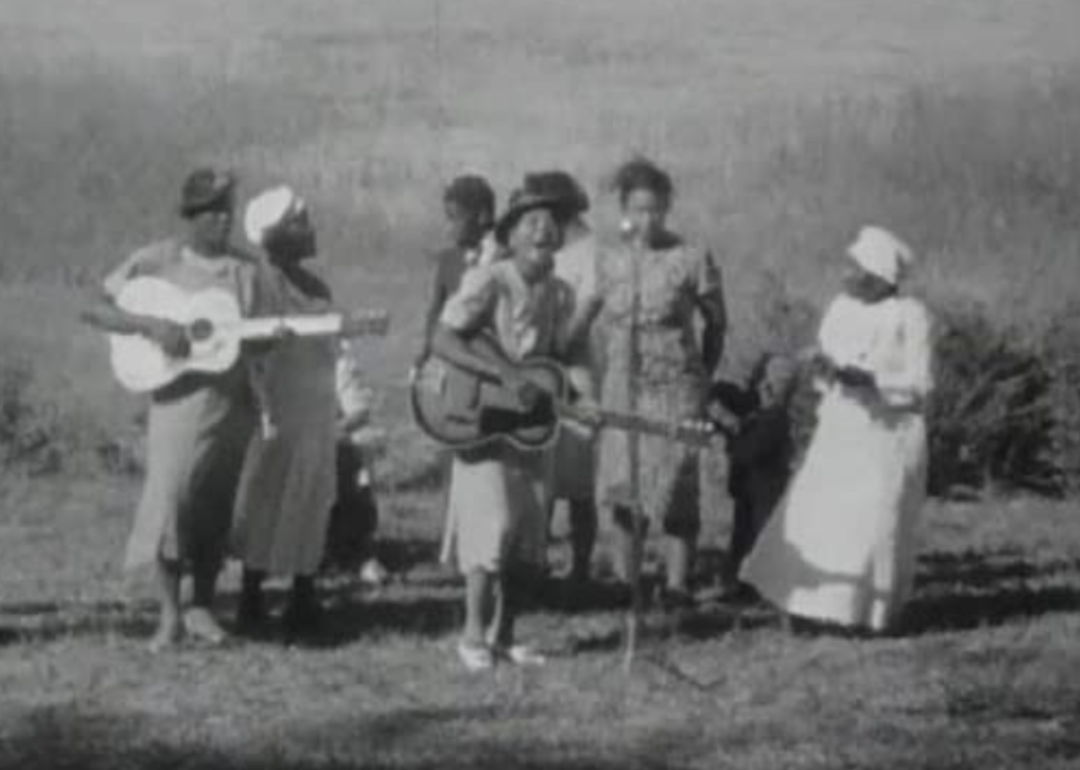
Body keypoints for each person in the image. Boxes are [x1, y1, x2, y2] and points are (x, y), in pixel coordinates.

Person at [81, 167, 259, 651]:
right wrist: (151, 325)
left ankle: (201, 607)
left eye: (229, 209)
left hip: (230, 404)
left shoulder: (246, 271)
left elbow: (257, 340)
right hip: (176, 402)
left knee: (214, 506)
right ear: (192, 216)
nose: (224, 219)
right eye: (213, 211)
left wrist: (271, 340)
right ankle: (168, 616)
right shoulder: (157, 260)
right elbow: (96, 308)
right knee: (168, 504)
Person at [741, 226, 933, 634]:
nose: (846, 275)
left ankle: (862, 612)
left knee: (871, 522)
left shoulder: (910, 315)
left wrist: (868, 379)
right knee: (824, 518)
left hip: (887, 434)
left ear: (879, 275)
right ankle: (807, 605)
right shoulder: (841, 309)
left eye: (856, 268)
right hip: (842, 428)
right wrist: (826, 369)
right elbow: (829, 359)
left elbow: (920, 384)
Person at [431, 183, 591, 671]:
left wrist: (579, 399)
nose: (542, 229)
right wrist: (503, 376)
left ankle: (506, 634)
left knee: (527, 530)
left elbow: (557, 362)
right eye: (530, 222)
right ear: (512, 235)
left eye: (550, 222)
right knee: (491, 527)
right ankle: (472, 636)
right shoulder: (488, 280)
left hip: (531, 426)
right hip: (484, 420)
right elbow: (443, 339)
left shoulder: (560, 292)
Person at [595, 157, 728, 608]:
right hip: (623, 386)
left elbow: (716, 323)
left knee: (677, 488)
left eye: (656, 209)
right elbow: (591, 320)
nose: (647, 219)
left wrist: (702, 377)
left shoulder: (691, 258)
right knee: (622, 487)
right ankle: (626, 582)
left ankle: (676, 585)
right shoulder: (610, 260)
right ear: (623, 209)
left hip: (676, 385)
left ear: (668, 207)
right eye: (638, 209)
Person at [230, 185, 338, 638]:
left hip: (313, 407)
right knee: (265, 497)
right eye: (300, 222)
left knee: (312, 495)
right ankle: (251, 597)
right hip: (270, 405)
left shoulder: (316, 288)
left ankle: (303, 591)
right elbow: (241, 343)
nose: (309, 229)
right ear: (275, 235)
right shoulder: (254, 281)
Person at [522, 171, 603, 590]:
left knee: (578, 478)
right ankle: (536, 560)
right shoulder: (555, 252)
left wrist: (549, 346)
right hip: (545, 367)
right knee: (543, 468)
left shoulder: (590, 253)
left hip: (573, 370)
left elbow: (585, 315)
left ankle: (581, 566)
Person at [706, 353, 798, 595]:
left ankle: (753, 585)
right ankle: (740, 582)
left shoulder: (775, 419)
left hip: (764, 496)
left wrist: (730, 427)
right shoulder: (762, 413)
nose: (762, 387)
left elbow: (749, 451)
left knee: (757, 540)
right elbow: (719, 391)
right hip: (750, 492)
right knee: (743, 538)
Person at [416, 175, 499, 369]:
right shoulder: (448, 261)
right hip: (456, 361)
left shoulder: (503, 257)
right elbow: (435, 312)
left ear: (482, 216)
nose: (448, 228)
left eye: (454, 219)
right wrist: (425, 352)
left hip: (494, 356)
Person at [323, 338, 388, 584]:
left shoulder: (340, 361)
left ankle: (363, 554)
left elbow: (358, 412)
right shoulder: (282, 359)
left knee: (355, 464)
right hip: (292, 443)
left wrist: (327, 434)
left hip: (333, 440)